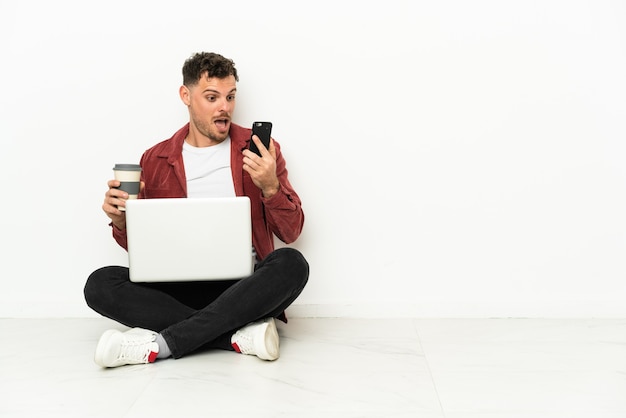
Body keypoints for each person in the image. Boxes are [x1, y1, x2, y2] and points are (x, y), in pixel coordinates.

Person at [84, 52, 309, 368]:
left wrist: (270, 186)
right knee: (100, 283)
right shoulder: (155, 159)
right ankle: (236, 336)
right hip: (175, 289)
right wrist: (121, 221)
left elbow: (292, 232)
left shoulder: (260, 151)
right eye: (212, 97)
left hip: (242, 288)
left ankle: (161, 344)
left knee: (292, 263)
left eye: (230, 97)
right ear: (185, 96)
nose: (225, 107)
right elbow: (142, 249)